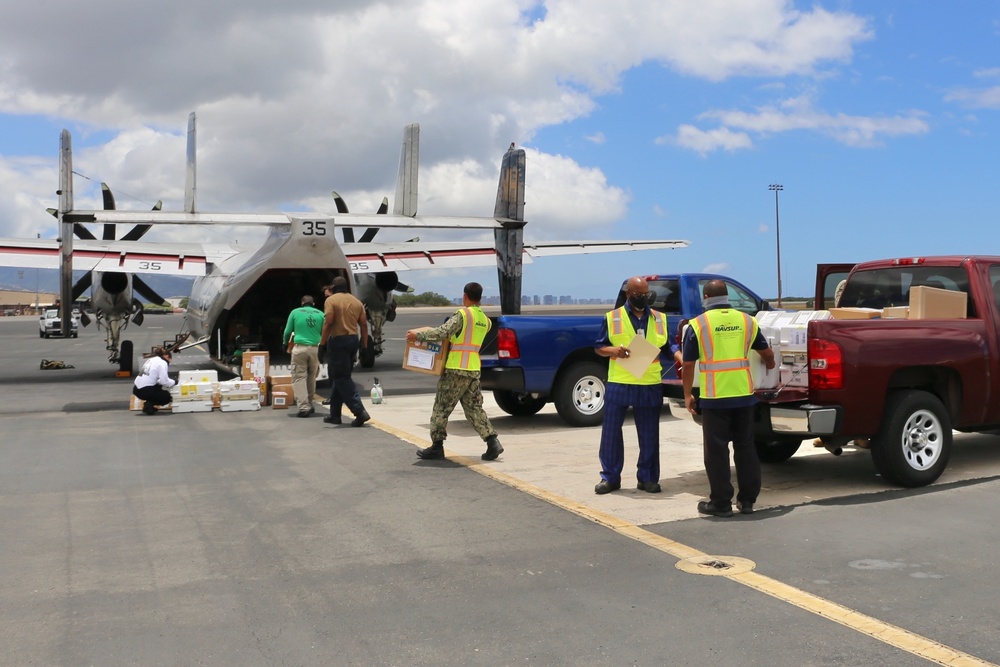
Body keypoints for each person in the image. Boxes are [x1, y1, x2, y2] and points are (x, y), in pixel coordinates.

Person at [682, 280, 775, 517]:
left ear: (705, 298)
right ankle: (747, 502)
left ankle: (721, 503)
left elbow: (688, 363)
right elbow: (765, 352)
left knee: (717, 452)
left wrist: (687, 395)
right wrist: (771, 363)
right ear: (727, 297)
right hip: (743, 396)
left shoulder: (698, 324)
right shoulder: (747, 321)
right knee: (745, 447)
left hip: (715, 398)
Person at [406, 282, 503, 461]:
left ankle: (437, 446)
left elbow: (443, 332)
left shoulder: (462, 315)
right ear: (480, 297)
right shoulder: (485, 320)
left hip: (456, 369)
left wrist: (417, 336)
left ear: (465, 295)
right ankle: (492, 442)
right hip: (473, 369)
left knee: (441, 407)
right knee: (474, 408)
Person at [593, 276, 671, 495]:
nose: (643, 298)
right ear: (628, 294)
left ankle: (647, 478)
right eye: (638, 295)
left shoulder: (659, 318)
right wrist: (614, 351)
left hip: (648, 383)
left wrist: (681, 356)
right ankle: (610, 477)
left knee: (649, 434)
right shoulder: (612, 317)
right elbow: (599, 346)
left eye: (646, 295)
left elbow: (668, 346)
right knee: (610, 432)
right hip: (621, 380)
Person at [321, 276, 371, 427]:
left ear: (334, 288)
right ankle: (335, 415)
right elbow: (363, 325)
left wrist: (321, 343)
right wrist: (364, 345)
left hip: (339, 340)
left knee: (341, 378)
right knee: (340, 376)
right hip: (353, 340)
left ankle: (359, 411)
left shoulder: (331, 300)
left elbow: (329, 322)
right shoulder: (357, 302)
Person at [282, 294, 325, 417]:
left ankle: (303, 407)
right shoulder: (320, 314)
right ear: (313, 304)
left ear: (302, 303)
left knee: (299, 377)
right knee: (311, 377)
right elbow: (325, 331)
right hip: (315, 349)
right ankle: (310, 403)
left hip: (300, 349)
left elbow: (287, 331)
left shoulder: (295, 312)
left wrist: (285, 343)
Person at [132, 347, 176, 415]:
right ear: (167, 356)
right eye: (169, 360)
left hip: (136, 389)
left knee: (158, 386)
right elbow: (165, 381)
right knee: (166, 397)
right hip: (145, 390)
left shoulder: (151, 360)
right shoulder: (162, 363)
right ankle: (148, 405)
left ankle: (149, 404)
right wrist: (175, 382)